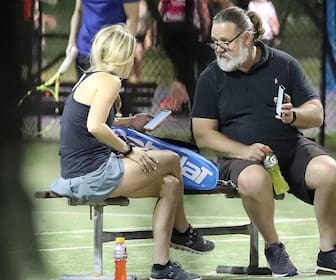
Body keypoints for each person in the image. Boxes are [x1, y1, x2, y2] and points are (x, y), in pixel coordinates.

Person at [191, 7, 336, 277]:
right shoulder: (210, 77)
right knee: (254, 179)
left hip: (290, 148)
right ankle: (274, 248)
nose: (218, 48)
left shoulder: (284, 64)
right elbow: (203, 134)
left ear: (247, 38)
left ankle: (329, 253)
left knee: (329, 171)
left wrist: (294, 114)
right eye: (215, 42)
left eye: (225, 42)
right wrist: (245, 151)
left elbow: (317, 113)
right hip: (238, 159)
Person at [50, 24, 214, 280]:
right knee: (172, 159)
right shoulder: (110, 80)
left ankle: (162, 267)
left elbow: (97, 120)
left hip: (79, 173)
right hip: (91, 174)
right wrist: (130, 151)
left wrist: (130, 122)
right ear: (123, 55)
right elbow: (95, 126)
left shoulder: (92, 76)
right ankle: (183, 231)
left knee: (170, 184)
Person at [158, 0, 213, 112]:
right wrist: (205, 28)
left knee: (187, 72)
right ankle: (192, 104)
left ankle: (189, 101)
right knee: (187, 72)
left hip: (177, 30)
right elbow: (202, 9)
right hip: (186, 31)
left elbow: (161, 8)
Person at [65, 0, 139, 79]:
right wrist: (71, 42)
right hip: (85, 51)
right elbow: (78, 11)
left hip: (112, 55)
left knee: (111, 90)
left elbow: (132, 18)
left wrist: (125, 52)